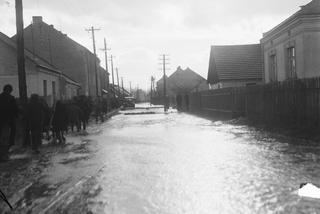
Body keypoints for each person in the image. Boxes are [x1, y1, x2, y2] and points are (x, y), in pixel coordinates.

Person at [0, 84, 18, 161]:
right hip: (8, 120)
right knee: (8, 136)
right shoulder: (11, 98)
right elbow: (15, 109)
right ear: (10, 90)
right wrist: (18, 115)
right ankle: (4, 154)